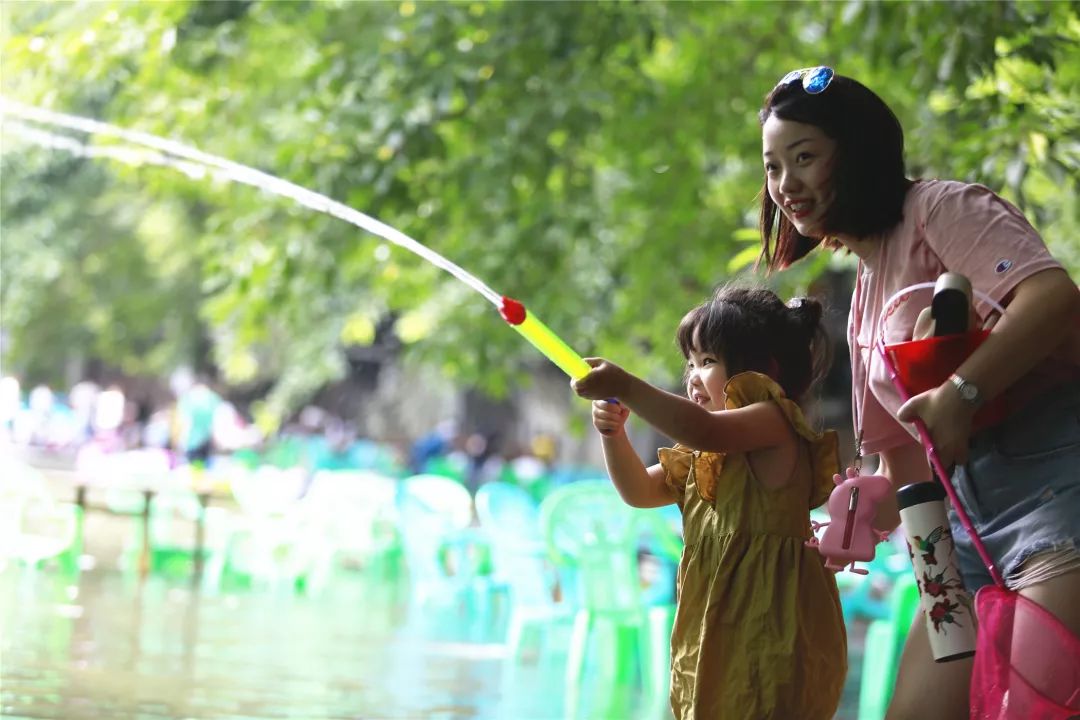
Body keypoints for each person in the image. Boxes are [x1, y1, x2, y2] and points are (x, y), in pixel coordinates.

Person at [757, 66, 1080, 719]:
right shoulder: (865, 297)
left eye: (805, 157)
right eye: (772, 166)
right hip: (953, 540)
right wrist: (832, 526)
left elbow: (1052, 297)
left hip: (1055, 503)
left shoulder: (941, 209)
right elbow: (902, 464)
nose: (786, 184)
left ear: (856, 152)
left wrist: (961, 392)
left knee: (1040, 709)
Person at [572, 285, 847, 720]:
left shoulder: (773, 420)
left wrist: (625, 385)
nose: (693, 376)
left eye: (708, 362)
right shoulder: (703, 453)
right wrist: (613, 436)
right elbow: (638, 492)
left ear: (762, 370)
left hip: (771, 625)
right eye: (690, 364)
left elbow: (704, 429)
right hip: (713, 628)